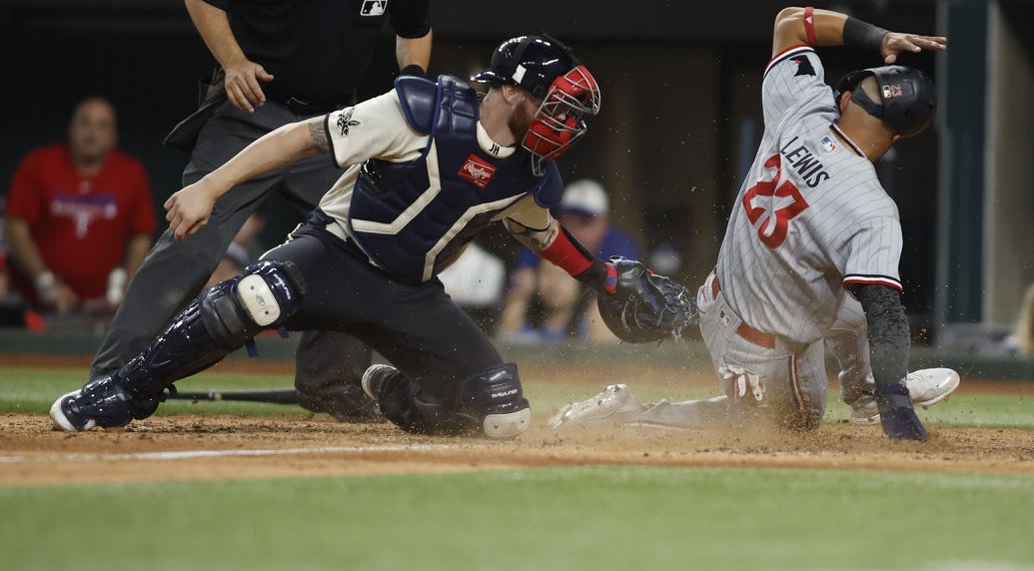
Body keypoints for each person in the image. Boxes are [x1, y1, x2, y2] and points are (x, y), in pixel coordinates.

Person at [50, 34, 666, 440]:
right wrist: (210, 186)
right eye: (555, 105)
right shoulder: (419, 111)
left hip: (411, 296)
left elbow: (542, 232)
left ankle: (393, 390)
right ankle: (121, 390)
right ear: (510, 89)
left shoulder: (529, 172)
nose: (565, 125)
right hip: (334, 253)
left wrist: (603, 276)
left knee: (504, 414)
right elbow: (298, 137)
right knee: (252, 300)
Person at [87, 0, 433, 421]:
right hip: (253, 112)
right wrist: (234, 62)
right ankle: (111, 380)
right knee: (190, 239)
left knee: (365, 241)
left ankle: (332, 384)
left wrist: (415, 78)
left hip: (329, 125)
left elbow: (414, 27)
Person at [550, 6, 958, 440]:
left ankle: (868, 394)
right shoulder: (870, 207)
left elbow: (789, 23)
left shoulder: (804, 107)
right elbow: (887, 312)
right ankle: (630, 415)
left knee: (856, 299)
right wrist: (900, 407)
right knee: (789, 425)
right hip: (759, 349)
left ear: (845, 97)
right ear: (898, 136)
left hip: (722, 296)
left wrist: (878, 37)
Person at [4, 97, 155, 317]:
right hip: (34, 302)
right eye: (84, 122)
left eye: (102, 125)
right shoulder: (38, 164)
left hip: (104, 306)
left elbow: (141, 236)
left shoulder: (131, 173)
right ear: (71, 129)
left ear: (114, 137)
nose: (92, 132)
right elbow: (14, 228)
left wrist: (125, 291)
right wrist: (44, 283)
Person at [497, 179, 642, 342]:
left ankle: (599, 364)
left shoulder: (618, 246)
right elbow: (521, 281)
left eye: (585, 222)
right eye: (570, 219)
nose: (577, 230)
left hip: (587, 319)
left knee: (605, 309)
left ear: (604, 223)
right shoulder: (544, 237)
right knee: (520, 292)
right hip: (543, 317)